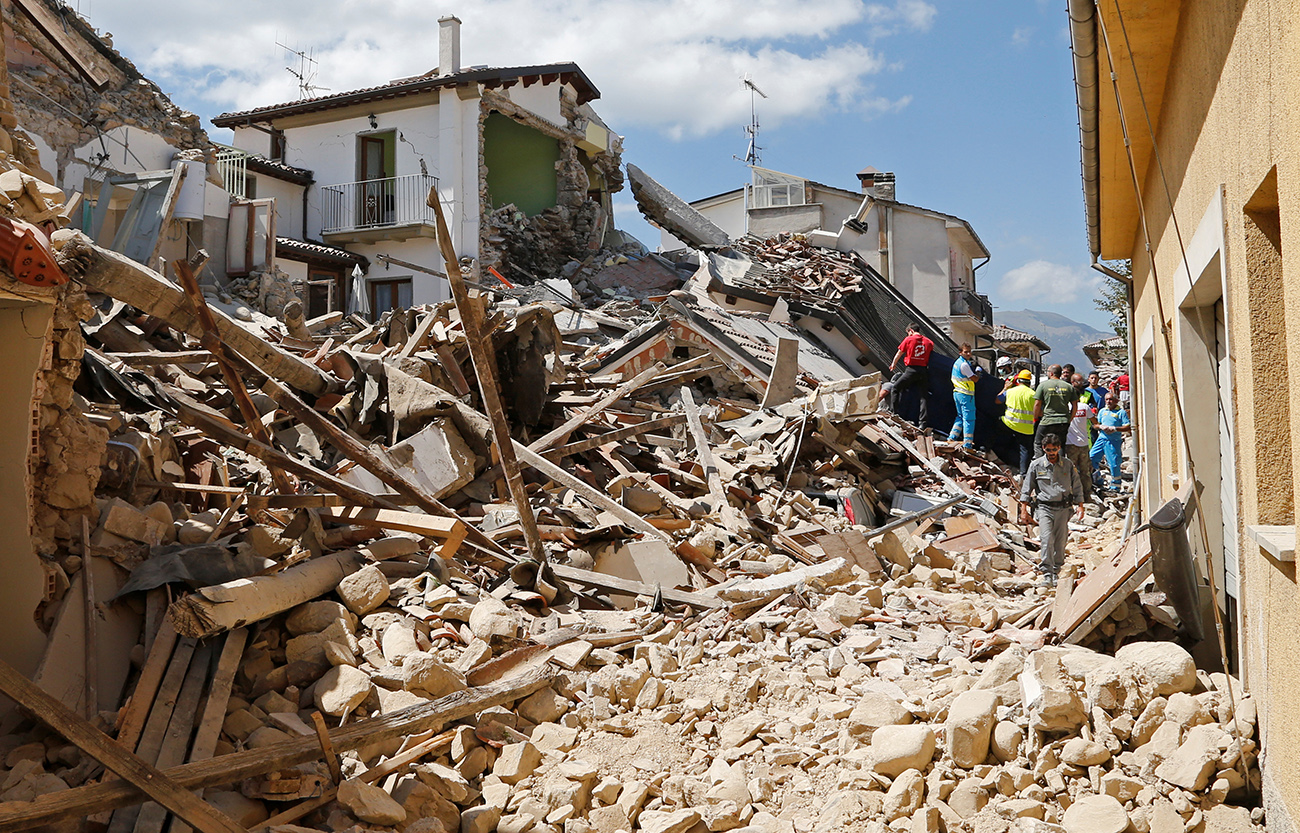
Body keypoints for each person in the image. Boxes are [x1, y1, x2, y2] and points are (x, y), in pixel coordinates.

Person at [1019, 432, 1085, 587]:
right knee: (1047, 539)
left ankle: (1057, 569)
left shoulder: (1068, 465)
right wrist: (1023, 510)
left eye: (1054, 450)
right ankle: (1047, 573)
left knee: (1061, 541)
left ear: (1059, 448)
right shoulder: (1036, 465)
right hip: (1044, 508)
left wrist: (1080, 506)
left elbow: (1077, 486)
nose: (1052, 453)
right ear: (1043, 449)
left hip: (1063, 509)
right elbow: (1026, 488)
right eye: (1048, 450)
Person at [889, 323, 934, 432]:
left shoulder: (909, 339)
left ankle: (893, 414)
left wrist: (893, 364)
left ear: (911, 330)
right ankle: (923, 423)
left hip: (911, 370)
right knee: (923, 397)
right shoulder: (929, 342)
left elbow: (899, 352)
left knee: (895, 388)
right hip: (923, 371)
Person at [1065, 374, 1098, 502]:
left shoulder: (1066, 408)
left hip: (1070, 444)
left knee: (1071, 471)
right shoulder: (1085, 408)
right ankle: (1086, 494)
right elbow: (1094, 422)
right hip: (1084, 443)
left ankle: (1074, 495)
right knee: (1085, 471)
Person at [1033, 364, 1077, 458]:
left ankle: (1040, 465)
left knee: (1038, 443)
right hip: (1063, 421)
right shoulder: (1068, 387)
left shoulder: (1043, 385)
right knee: (1059, 445)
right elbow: (1075, 405)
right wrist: (1069, 418)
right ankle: (1059, 466)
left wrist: (1036, 417)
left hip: (1047, 420)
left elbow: (1037, 404)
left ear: (1051, 373)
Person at [999, 369, 1036, 478]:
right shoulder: (1033, 395)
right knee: (1025, 451)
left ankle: (996, 458)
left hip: (1008, 424)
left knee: (999, 438)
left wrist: (1005, 388)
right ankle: (1023, 474)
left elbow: (997, 400)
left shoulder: (1010, 391)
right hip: (1026, 428)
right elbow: (1039, 411)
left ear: (1018, 380)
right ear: (1029, 382)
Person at [1090, 393, 1131, 490]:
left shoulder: (1121, 412)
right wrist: (1100, 426)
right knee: (1091, 458)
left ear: (1116, 401)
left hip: (1113, 441)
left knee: (1114, 464)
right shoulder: (1102, 411)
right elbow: (1095, 424)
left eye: (1111, 399)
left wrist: (1115, 428)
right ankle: (1098, 479)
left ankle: (1115, 487)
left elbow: (1127, 427)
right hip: (1101, 439)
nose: (1108, 401)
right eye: (1107, 399)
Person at [948, 342, 980, 449]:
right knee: (969, 419)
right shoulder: (964, 365)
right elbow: (974, 379)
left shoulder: (957, 363)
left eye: (970, 352)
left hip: (957, 393)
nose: (968, 354)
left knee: (960, 417)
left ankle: (952, 437)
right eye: (966, 352)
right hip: (966, 395)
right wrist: (978, 373)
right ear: (960, 352)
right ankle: (967, 443)